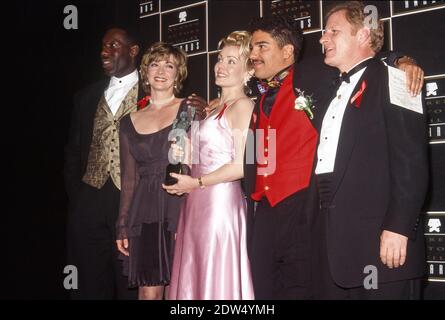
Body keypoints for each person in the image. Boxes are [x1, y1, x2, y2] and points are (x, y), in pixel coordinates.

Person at [242, 14, 425, 300]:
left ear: (287, 51)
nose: (253, 55)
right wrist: (253, 189)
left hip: (303, 207)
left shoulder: (316, 73)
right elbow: (258, 152)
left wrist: (402, 60)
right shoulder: (259, 99)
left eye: (261, 46)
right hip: (266, 212)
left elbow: (368, 59)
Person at [311, 1, 428, 299]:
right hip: (333, 251)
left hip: (383, 248)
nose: (323, 38)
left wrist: (399, 227)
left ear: (363, 35)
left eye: (333, 31)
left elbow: (411, 161)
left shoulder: (398, 78)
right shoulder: (328, 89)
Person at [163, 31, 255, 300]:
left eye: (231, 61)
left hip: (220, 205)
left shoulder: (246, 107)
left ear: (248, 69)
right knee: (194, 277)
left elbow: (245, 165)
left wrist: (198, 182)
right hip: (194, 201)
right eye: (220, 59)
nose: (221, 66)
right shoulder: (211, 107)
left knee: (216, 278)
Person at [65, 27, 142, 299]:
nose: (104, 52)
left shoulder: (155, 92)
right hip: (90, 201)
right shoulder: (85, 97)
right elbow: (73, 152)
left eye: (113, 45)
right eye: (103, 46)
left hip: (132, 202)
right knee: (89, 284)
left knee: (129, 282)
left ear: (133, 52)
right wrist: (79, 198)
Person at [116, 42, 194, 300]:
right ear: (145, 71)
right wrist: (123, 224)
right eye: (155, 63)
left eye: (169, 65)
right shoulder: (128, 122)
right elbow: (129, 177)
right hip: (146, 210)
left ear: (178, 73)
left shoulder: (191, 109)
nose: (161, 70)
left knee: (181, 290)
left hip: (183, 205)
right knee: (149, 291)